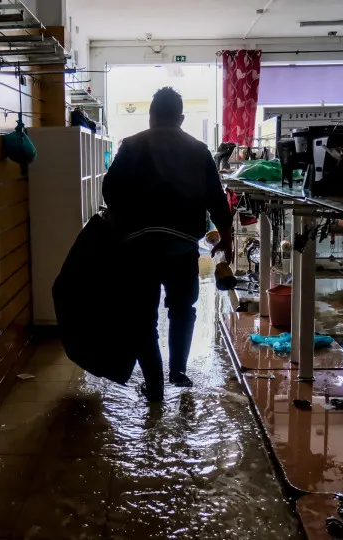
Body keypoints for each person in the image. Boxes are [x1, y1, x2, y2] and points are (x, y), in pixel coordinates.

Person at [102, 87, 234, 402]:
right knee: (182, 308)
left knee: (142, 316)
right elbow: (216, 199)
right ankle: (178, 371)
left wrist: (121, 223)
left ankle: (155, 383)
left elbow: (110, 190)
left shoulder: (131, 145)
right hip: (181, 245)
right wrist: (226, 237)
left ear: (151, 116)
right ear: (181, 118)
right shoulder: (199, 149)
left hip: (139, 245)